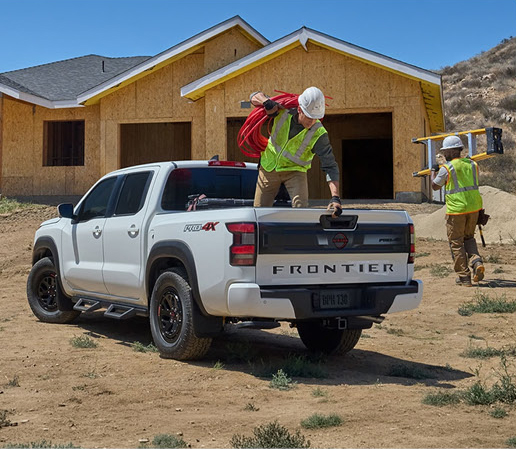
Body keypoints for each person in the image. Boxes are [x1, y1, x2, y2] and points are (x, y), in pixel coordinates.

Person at [250, 87, 342, 217]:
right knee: (258, 212)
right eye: (309, 117)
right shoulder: (282, 111)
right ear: (300, 110)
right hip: (269, 168)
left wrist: (335, 197)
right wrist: (266, 102)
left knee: (301, 212)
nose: (312, 121)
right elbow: (253, 96)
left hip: (295, 172)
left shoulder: (319, 134)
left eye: (316, 118)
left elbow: (330, 165)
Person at [431, 135, 485, 286]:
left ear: (450, 152)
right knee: (469, 238)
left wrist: (433, 172)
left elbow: (435, 186)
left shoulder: (447, 168)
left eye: (445, 152)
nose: (444, 154)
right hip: (474, 208)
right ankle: (476, 262)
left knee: (456, 242)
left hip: (457, 211)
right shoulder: (473, 165)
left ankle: (464, 277)